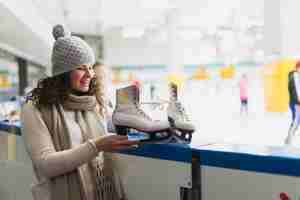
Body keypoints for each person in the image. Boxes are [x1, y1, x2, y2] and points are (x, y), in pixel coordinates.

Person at [21, 24, 138, 200]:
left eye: (90, 67)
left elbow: (114, 130)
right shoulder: (36, 108)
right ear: (63, 73)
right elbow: (45, 164)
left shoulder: (92, 103)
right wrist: (96, 146)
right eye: (81, 68)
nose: (90, 74)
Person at [285, 61, 300, 145]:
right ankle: (289, 140)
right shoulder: (294, 75)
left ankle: (288, 139)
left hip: (296, 102)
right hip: (296, 102)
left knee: (297, 121)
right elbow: (296, 90)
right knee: (296, 120)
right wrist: (298, 101)